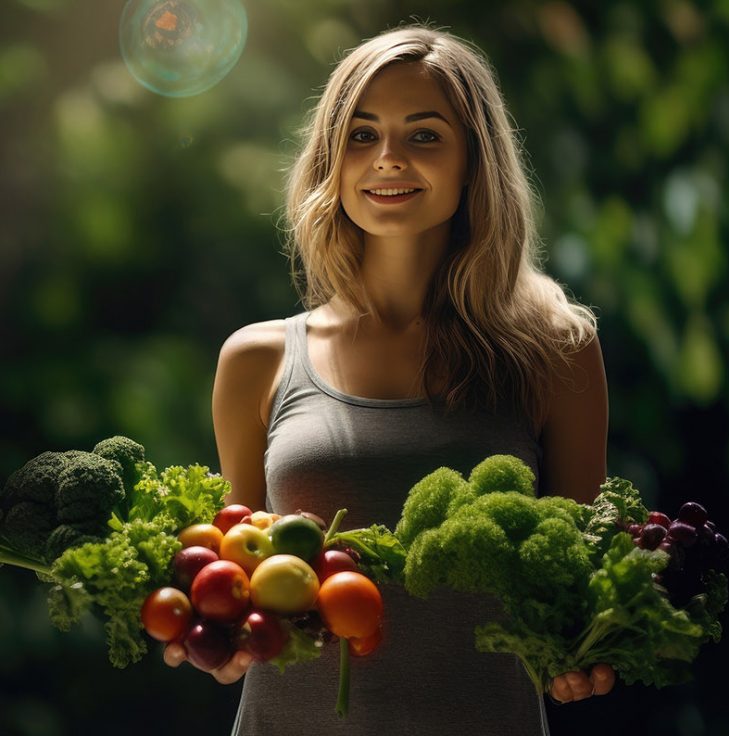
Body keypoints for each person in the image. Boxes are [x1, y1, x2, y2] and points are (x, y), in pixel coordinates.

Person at [165, 23, 615, 735]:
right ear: (332, 161)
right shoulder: (258, 360)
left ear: (475, 162)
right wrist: (215, 641)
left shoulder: (556, 350)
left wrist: (584, 653)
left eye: (425, 136)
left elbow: (577, 580)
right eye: (362, 135)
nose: (389, 160)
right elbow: (237, 580)